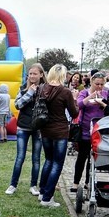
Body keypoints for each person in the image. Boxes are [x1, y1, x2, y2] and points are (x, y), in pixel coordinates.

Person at [38, 64, 78, 208]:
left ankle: (42, 191)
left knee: (48, 160)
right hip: (60, 130)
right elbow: (74, 114)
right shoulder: (65, 92)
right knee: (57, 163)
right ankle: (47, 198)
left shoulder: (42, 89)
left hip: (45, 129)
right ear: (63, 75)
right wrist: (74, 99)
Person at [6, 63, 45, 196]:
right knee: (20, 157)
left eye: (35, 73)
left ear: (41, 75)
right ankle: (13, 184)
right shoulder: (23, 89)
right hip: (23, 126)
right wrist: (30, 93)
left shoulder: (45, 89)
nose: (32, 76)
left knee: (36, 158)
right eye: (30, 74)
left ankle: (33, 185)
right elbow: (17, 105)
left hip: (39, 127)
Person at [71, 72, 107, 192]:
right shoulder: (84, 92)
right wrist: (90, 97)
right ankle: (76, 183)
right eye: (97, 84)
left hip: (99, 130)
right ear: (91, 82)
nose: (99, 87)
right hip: (85, 129)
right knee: (82, 156)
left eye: (102, 84)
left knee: (94, 158)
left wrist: (102, 103)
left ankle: (88, 182)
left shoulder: (106, 93)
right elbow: (79, 105)